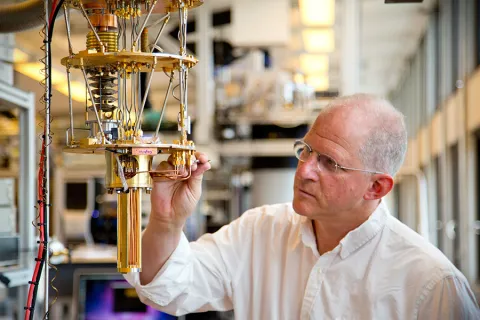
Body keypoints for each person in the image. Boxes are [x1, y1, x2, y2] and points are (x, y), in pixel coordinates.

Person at [125, 93, 479, 319]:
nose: (305, 170)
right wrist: (166, 221)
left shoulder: (431, 286)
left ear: (376, 186)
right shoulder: (260, 231)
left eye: (330, 163)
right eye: (306, 150)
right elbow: (168, 289)